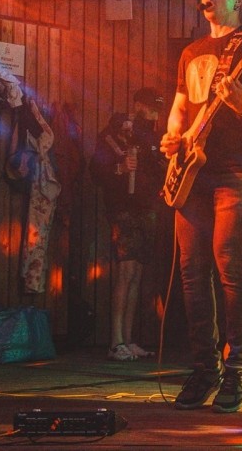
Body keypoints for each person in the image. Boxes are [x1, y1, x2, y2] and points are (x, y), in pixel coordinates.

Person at [160, 0, 242, 413]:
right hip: (192, 170)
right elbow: (179, 106)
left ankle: (239, 367)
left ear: (238, 0)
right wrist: (173, 137)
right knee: (192, 270)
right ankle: (205, 368)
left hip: (239, 169)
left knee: (229, 263)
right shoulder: (190, 52)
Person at [90, 87, 165, 361]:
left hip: (146, 209)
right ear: (138, 105)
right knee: (126, 272)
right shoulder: (115, 132)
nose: (155, 112)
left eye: (157, 108)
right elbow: (96, 171)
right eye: (151, 107)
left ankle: (128, 339)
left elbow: (157, 167)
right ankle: (115, 342)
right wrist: (120, 168)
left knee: (136, 274)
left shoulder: (150, 136)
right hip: (123, 209)